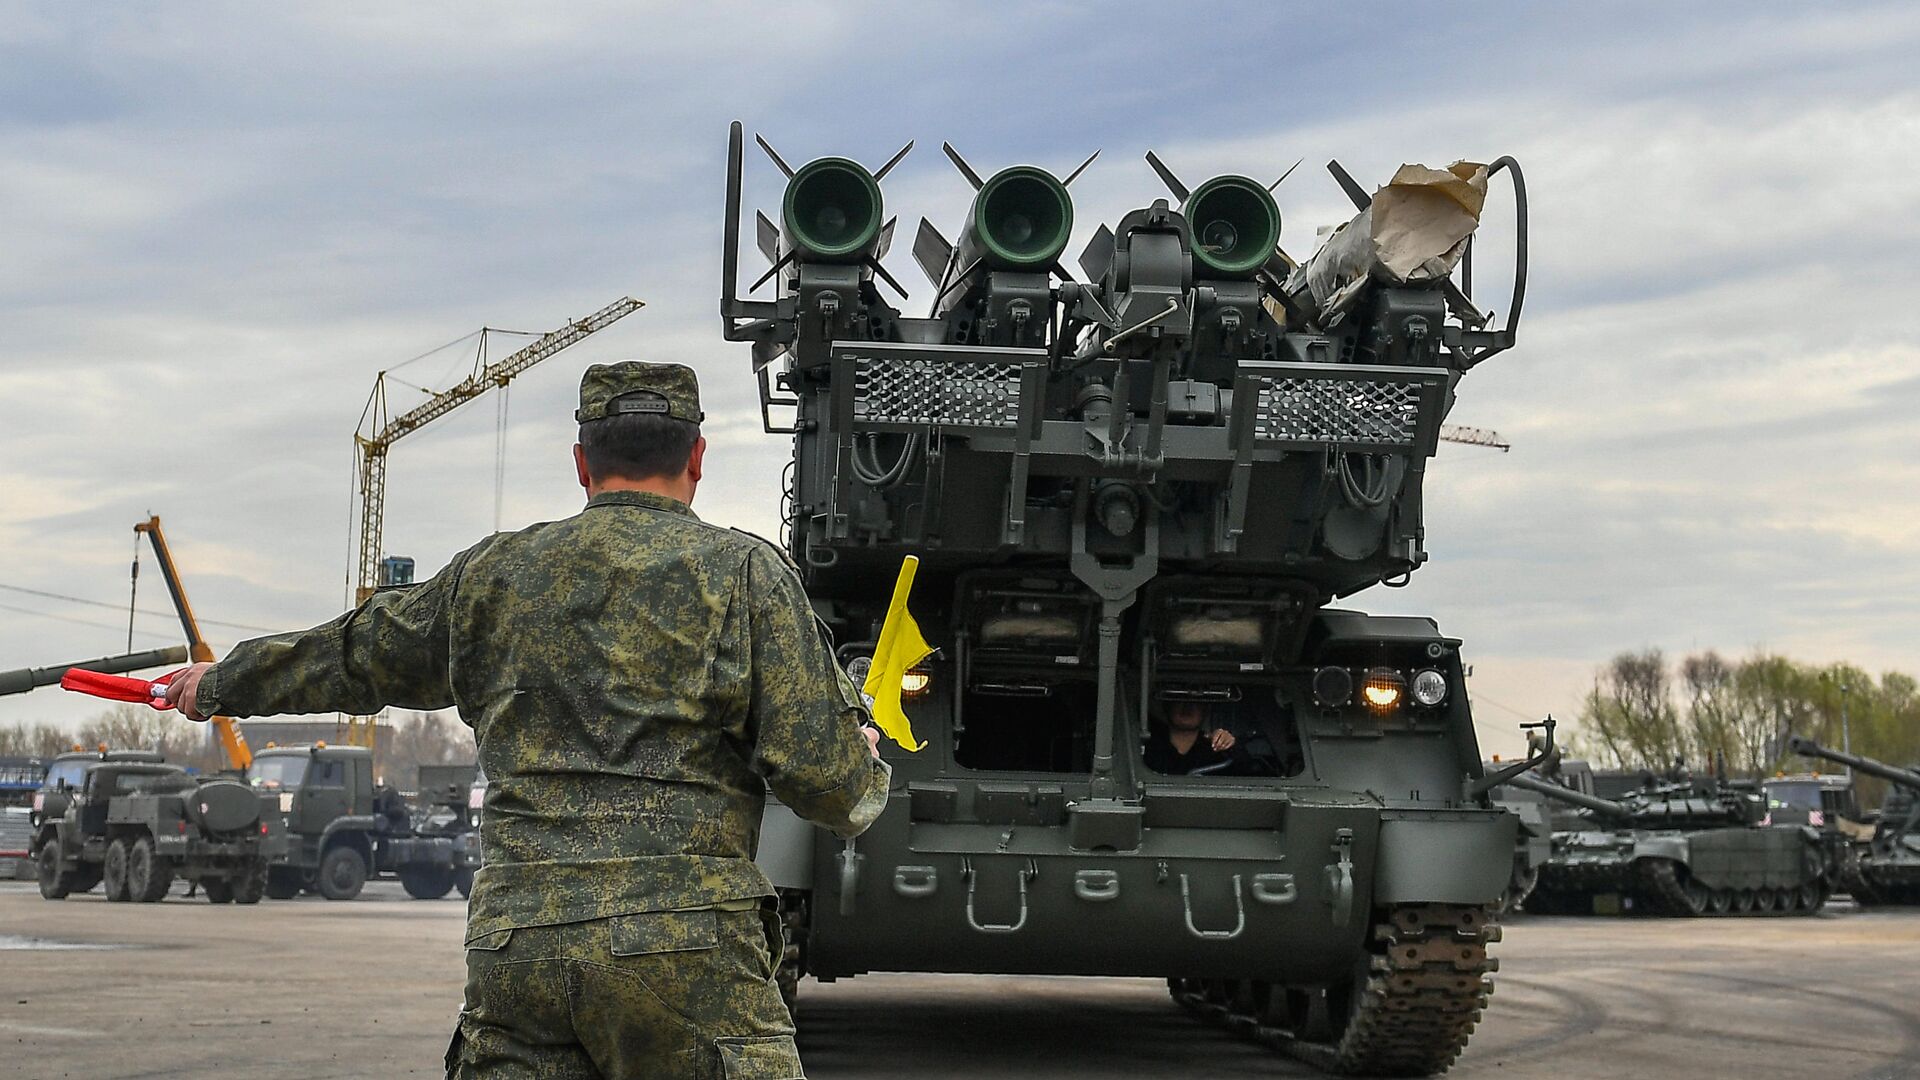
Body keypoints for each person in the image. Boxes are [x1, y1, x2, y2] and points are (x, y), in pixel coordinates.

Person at [167, 361, 890, 1079]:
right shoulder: (746, 575)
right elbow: (828, 785)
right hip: (686, 951)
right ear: (697, 457)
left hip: (521, 950)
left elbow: (355, 653)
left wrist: (220, 683)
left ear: (582, 463)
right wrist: (858, 755)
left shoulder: (494, 574)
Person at [1143, 700, 1239, 776]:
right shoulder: (1145, 744)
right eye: (1179, 699)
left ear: (1206, 709)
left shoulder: (1215, 752)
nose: (1187, 706)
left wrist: (1229, 744)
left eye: (1197, 702)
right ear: (1167, 705)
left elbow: (1245, 771)